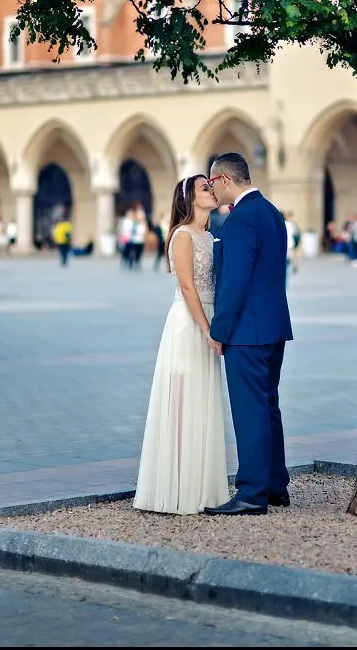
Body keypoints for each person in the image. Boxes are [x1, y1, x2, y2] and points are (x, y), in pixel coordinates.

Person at [204, 152, 294, 516]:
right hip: (273, 327)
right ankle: (275, 484)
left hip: (246, 332)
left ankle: (252, 493)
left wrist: (219, 329)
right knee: (268, 406)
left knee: (250, 411)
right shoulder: (272, 213)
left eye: (212, 183)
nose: (212, 190)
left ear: (225, 179)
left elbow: (235, 283)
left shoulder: (240, 220)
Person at [133, 175, 229, 514]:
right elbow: (188, 287)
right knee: (184, 397)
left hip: (207, 318)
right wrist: (206, 329)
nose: (212, 190)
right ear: (189, 199)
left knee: (202, 398)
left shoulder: (209, 235)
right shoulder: (183, 236)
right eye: (205, 188)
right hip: (188, 324)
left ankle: (201, 485)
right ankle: (175, 488)